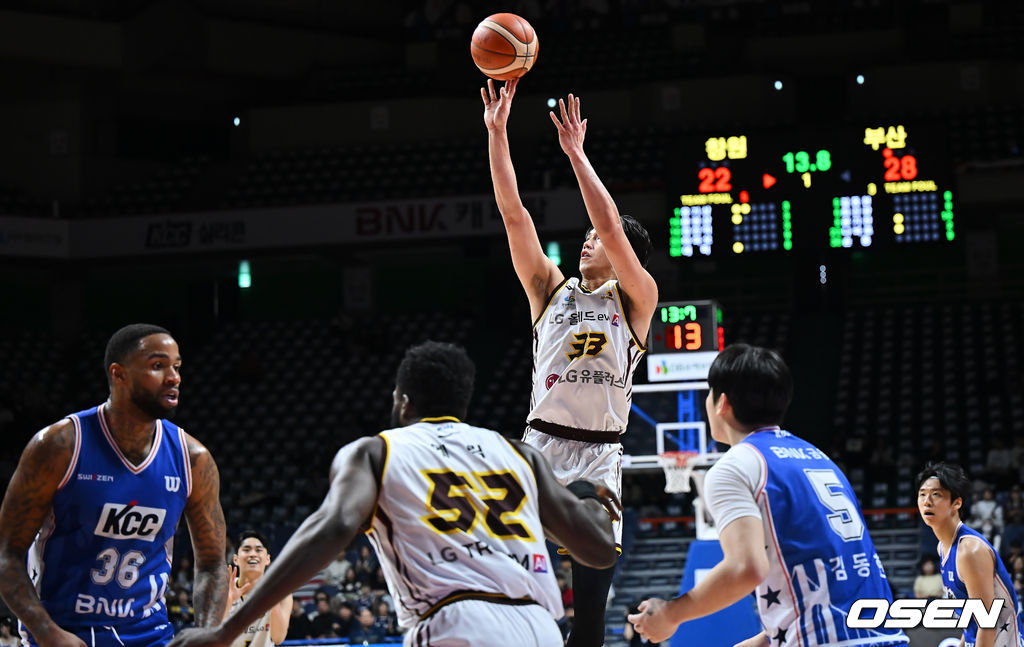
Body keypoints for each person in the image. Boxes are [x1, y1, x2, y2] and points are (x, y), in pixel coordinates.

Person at [166, 341, 620, 647]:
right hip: (540, 630)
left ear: (403, 401)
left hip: (456, 624)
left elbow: (334, 527)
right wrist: (586, 494)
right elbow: (599, 550)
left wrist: (226, 631)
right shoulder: (520, 455)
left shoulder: (376, 451)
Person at [482, 76, 658, 647]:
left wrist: (577, 155)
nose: (588, 240)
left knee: (589, 620)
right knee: (510, 600)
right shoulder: (549, 289)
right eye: (584, 236)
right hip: (539, 446)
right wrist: (497, 133)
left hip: (599, 455)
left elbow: (609, 224)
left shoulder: (637, 299)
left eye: (597, 239)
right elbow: (514, 215)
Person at [628, 344, 907, 646]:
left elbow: (746, 568)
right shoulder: (817, 457)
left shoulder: (735, 465)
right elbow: (823, 570)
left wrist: (671, 613)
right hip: (883, 636)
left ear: (722, 402)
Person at [0, 323, 227, 647]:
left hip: (150, 636)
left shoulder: (193, 460)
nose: (174, 377)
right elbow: (6, 554)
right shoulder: (59, 446)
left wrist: (207, 633)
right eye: (158, 365)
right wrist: (47, 632)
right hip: (63, 633)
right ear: (119, 374)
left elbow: (213, 564)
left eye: (177, 367)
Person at [917, 462, 1024, 647]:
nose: (927, 501)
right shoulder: (943, 547)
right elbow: (972, 620)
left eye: (936, 494)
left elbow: (987, 624)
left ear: (956, 503)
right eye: (922, 494)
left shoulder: (969, 550)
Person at [223, 531, 291, 647]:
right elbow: (212, 638)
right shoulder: (223, 591)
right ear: (235, 559)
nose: (253, 554)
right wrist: (228, 603)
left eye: (259, 550)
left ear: (267, 559)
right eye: (246, 550)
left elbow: (278, 638)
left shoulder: (282, 593)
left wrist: (273, 600)